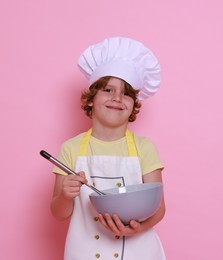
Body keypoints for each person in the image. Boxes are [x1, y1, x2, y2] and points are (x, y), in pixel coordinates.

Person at [50, 37, 166, 259]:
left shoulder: (144, 148)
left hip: (138, 250)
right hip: (84, 251)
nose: (117, 98)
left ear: (133, 104)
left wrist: (138, 228)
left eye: (126, 93)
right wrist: (65, 195)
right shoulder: (71, 148)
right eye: (108, 90)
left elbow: (159, 208)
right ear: (91, 99)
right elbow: (58, 212)